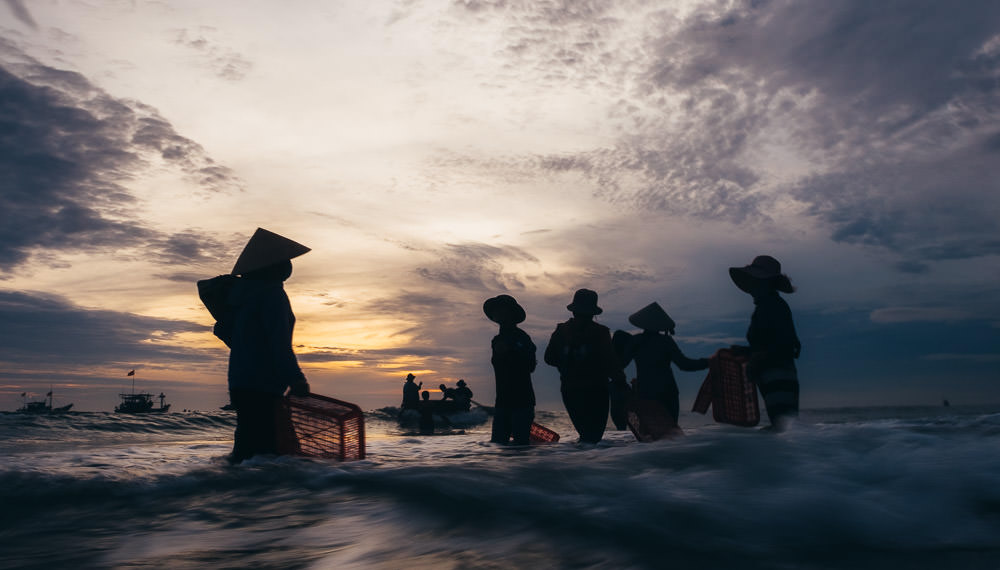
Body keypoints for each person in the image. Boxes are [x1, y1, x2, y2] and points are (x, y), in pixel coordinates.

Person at [220, 228, 311, 463]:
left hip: (240, 382)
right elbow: (278, 344)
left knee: (246, 452)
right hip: (264, 385)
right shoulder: (272, 296)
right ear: (274, 267)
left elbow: (227, 334)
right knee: (273, 454)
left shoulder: (240, 297)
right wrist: (296, 378)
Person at [544, 289, 627, 443]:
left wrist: (567, 362)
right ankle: (588, 463)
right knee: (593, 437)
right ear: (592, 313)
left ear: (574, 310)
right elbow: (610, 362)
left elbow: (549, 358)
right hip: (596, 389)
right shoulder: (601, 332)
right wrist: (620, 381)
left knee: (585, 435)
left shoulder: (561, 330)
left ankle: (580, 463)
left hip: (570, 389)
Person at [729, 255, 802, 430]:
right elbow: (769, 343)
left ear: (766, 283)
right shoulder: (768, 305)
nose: (752, 285)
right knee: (782, 425)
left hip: (778, 374)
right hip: (776, 373)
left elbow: (778, 345)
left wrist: (753, 361)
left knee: (782, 426)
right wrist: (746, 352)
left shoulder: (771, 305)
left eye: (755, 280)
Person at [613, 302, 709, 426]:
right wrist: (708, 362)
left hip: (646, 393)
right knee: (671, 434)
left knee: (652, 434)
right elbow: (684, 365)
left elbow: (621, 365)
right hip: (668, 393)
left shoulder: (636, 341)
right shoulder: (666, 341)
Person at [483, 294, 537, 445]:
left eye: (501, 310)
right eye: (496, 311)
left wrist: (511, 352)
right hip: (502, 401)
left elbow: (530, 366)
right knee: (499, 445)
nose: (497, 313)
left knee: (520, 447)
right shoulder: (496, 341)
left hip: (522, 400)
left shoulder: (522, 338)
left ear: (510, 314)